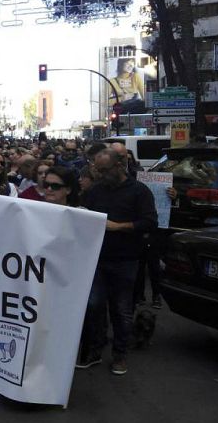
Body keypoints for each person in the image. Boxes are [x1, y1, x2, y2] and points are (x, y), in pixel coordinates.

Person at [78, 149, 157, 375]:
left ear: (119, 166)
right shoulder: (96, 191)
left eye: (104, 170)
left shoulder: (139, 192)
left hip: (125, 259)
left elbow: (149, 222)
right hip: (97, 258)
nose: (101, 175)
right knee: (94, 305)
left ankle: (120, 354)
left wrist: (118, 226)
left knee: (121, 310)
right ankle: (95, 349)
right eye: (98, 171)